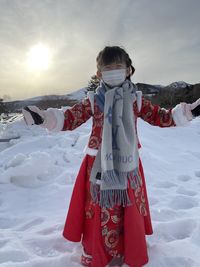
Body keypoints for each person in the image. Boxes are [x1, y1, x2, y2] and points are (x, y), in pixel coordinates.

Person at [22, 46, 200, 267]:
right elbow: (69, 118)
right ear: (99, 74)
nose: (113, 71)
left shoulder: (136, 100)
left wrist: (188, 113)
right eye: (108, 68)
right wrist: (44, 118)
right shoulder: (93, 100)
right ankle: (97, 251)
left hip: (128, 165)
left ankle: (128, 249)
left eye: (118, 67)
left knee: (127, 207)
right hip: (97, 166)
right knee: (99, 208)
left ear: (128, 70)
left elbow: (160, 117)